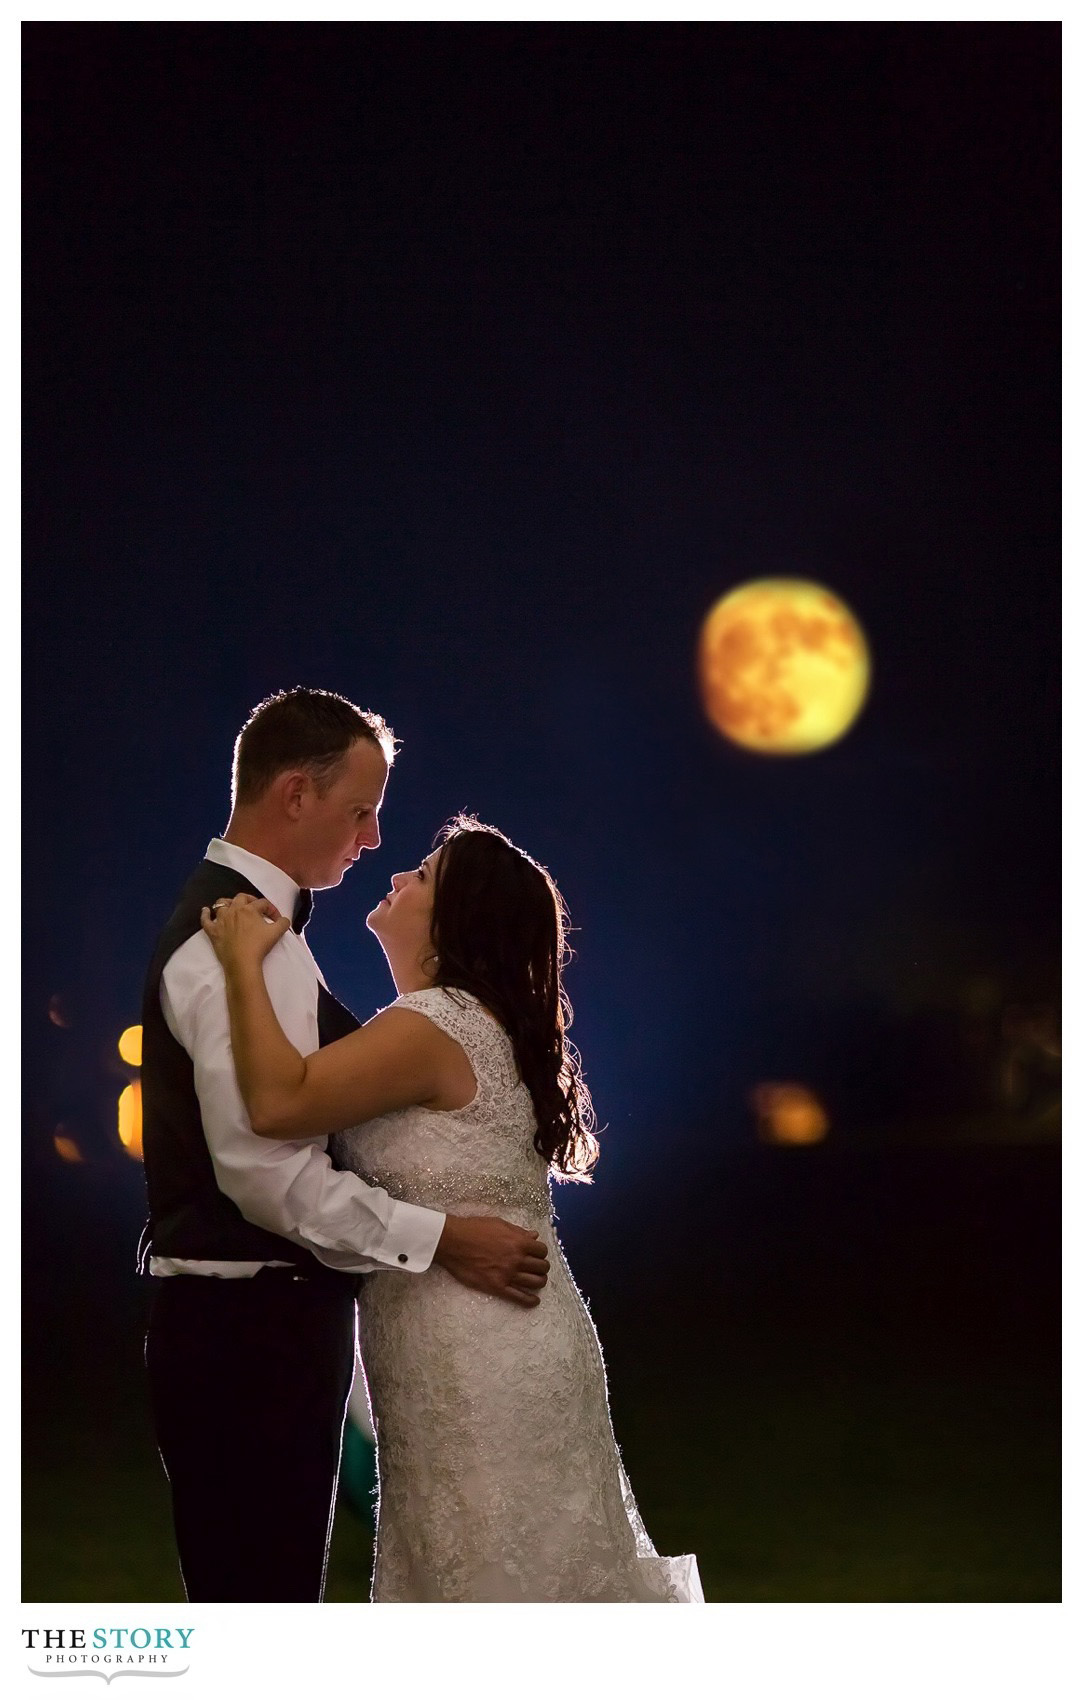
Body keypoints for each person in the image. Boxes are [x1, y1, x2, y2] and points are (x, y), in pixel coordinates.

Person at [201, 813, 703, 1602]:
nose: (398, 877)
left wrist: (238, 964)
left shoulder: (434, 1027)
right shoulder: (475, 1024)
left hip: (475, 1350)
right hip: (496, 1333)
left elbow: (276, 1103)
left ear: (453, 923)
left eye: (423, 876)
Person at [138, 689, 549, 1604]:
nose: (371, 842)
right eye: (360, 812)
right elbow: (262, 1176)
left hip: (269, 1326)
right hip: (248, 1333)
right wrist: (442, 1237)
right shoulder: (232, 944)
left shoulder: (262, 938)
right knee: (260, 1609)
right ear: (294, 794)